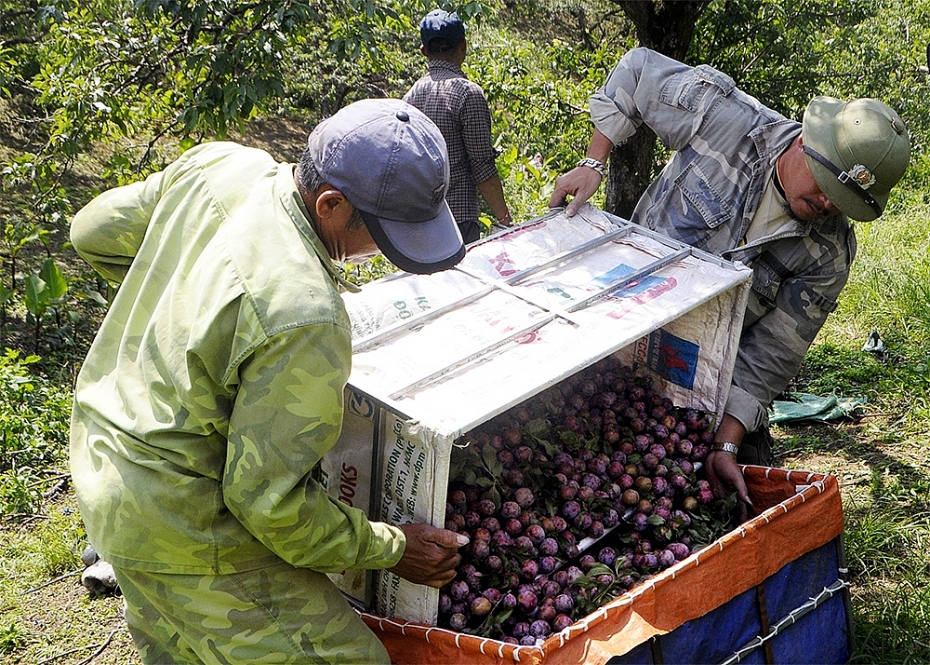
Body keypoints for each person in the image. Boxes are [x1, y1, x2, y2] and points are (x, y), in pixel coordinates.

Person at [69, 98, 468, 664]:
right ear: (330, 204)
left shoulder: (219, 167)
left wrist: (176, 301)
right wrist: (392, 546)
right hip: (184, 519)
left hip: (103, 462)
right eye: (382, 235)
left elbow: (90, 231)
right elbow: (269, 504)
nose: (380, 253)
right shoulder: (305, 314)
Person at [549, 47, 910, 520]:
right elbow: (637, 71)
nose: (826, 203)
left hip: (710, 387)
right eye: (825, 184)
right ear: (805, 142)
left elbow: (772, 354)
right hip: (625, 336)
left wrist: (725, 440)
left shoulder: (830, 252)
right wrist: (594, 163)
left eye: (843, 200)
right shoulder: (725, 117)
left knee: (717, 512)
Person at [404, 8, 512, 243]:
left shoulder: (409, 98)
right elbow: (482, 164)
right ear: (463, 45)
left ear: (424, 51)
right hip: (459, 220)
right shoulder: (467, 93)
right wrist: (504, 218)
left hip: (420, 221)